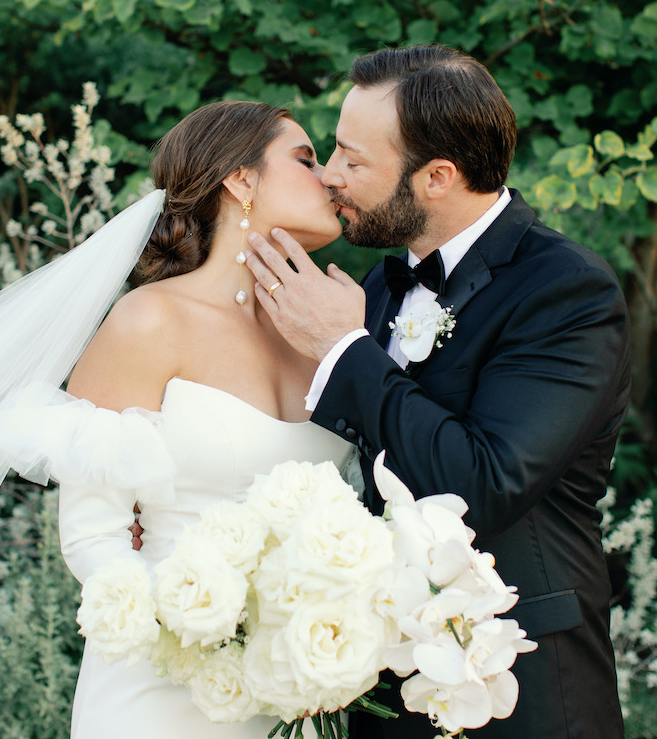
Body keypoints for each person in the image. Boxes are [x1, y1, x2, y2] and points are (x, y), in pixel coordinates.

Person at [245, 44, 630, 738]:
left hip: (523, 691)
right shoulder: (378, 287)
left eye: (354, 160)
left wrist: (343, 350)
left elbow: (482, 480)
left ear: (438, 178)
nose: (331, 176)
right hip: (379, 691)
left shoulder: (566, 291)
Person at [0, 101, 353, 738]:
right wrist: (208, 628)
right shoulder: (149, 320)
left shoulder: (325, 336)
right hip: (161, 688)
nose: (329, 176)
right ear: (239, 181)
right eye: (305, 159)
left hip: (294, 693)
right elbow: (93, 537)